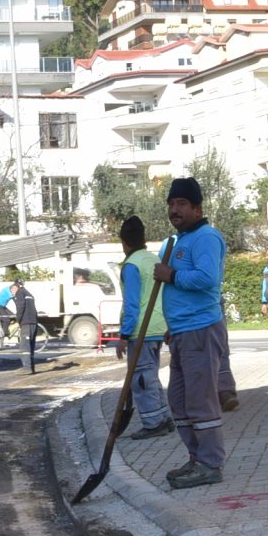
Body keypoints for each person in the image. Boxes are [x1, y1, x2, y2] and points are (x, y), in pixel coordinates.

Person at [154, 176, 231, 488]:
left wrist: (171, 274)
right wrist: (170, 327)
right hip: (182, 332)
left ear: (197, 209)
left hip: (201, 329)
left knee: (201, 401)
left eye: (181, 204)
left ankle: (211, 464)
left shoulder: (205, 238)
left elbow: (206, 279)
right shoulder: (174, 242)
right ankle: (196, 458)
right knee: (180, 401)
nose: (175, 210)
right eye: (171, 204)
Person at [115, 216, 171, 440]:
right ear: (144, 238)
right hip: (159, 326)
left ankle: (153, 422)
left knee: (141, 377)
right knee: (151, 374)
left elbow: (131, 303)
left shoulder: (132, 265)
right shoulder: (152, 259)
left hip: (141, 329)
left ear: (124, 242)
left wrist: (123, 334)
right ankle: (163, 417)